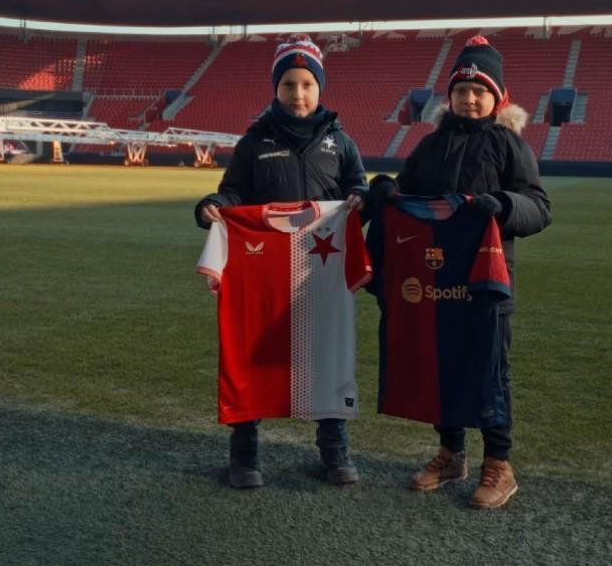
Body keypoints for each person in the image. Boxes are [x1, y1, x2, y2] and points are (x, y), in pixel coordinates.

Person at [368, 35, 551, 509]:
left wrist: (505, 205)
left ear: (497, 97)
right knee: (440, 361)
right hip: (434, 280)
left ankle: (500, 464)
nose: (470, 100)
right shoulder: (431, 147)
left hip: (489, 281)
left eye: (480, 92)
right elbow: (404, 193)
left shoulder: (509, 145)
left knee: (492, 367)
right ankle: (451, 452)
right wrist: (384, 190)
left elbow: (538, 206)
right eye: (461, 91)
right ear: (448, 96)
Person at [195, 34, 368, 489]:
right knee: (252, 352)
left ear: (320, 87)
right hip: (264, 270)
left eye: (307, 83)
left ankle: (334, 454)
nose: (298, 93)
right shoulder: (254, 141)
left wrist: (359, 199)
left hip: (321, 271)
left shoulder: (341, 141)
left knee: (327, 354)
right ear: (276, 87)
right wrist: (214, 205)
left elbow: (358, 186)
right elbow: (233, 192)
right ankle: (245, 457)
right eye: (289, 83)